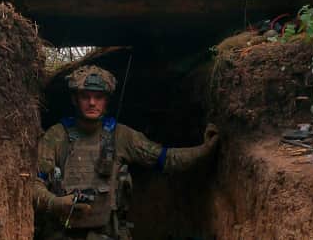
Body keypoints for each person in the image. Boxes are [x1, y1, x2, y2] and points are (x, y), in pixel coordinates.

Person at [32, 65, 219, 240]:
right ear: (74, 99)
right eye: (85, 96)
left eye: (98, 97)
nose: (92, 102)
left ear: (106, 101)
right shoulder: (56, 136)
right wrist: (55, 203)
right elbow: (33, 185)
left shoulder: (121, 136)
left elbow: (166, 158)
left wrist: (204, 150)